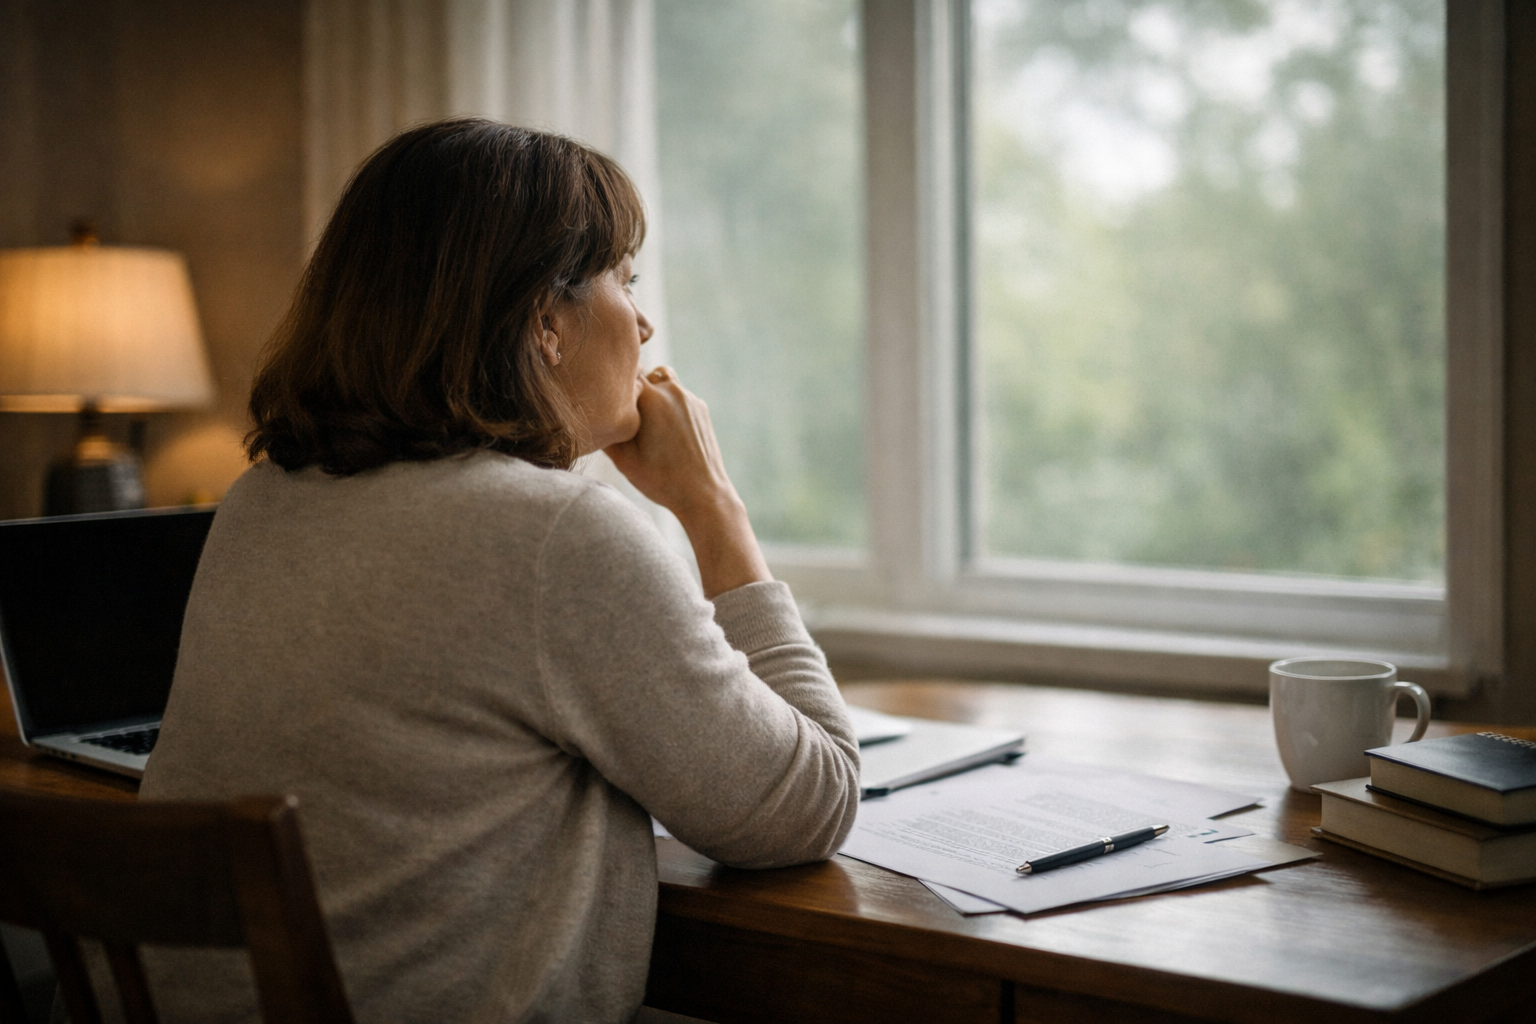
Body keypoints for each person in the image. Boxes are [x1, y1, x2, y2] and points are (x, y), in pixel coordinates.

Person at [138, 118, 860, 1023]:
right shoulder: (559, 537)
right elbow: (808, 805)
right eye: (622, 280)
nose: (641, 322)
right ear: (542, 321)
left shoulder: (262, 500)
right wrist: (714, 506)